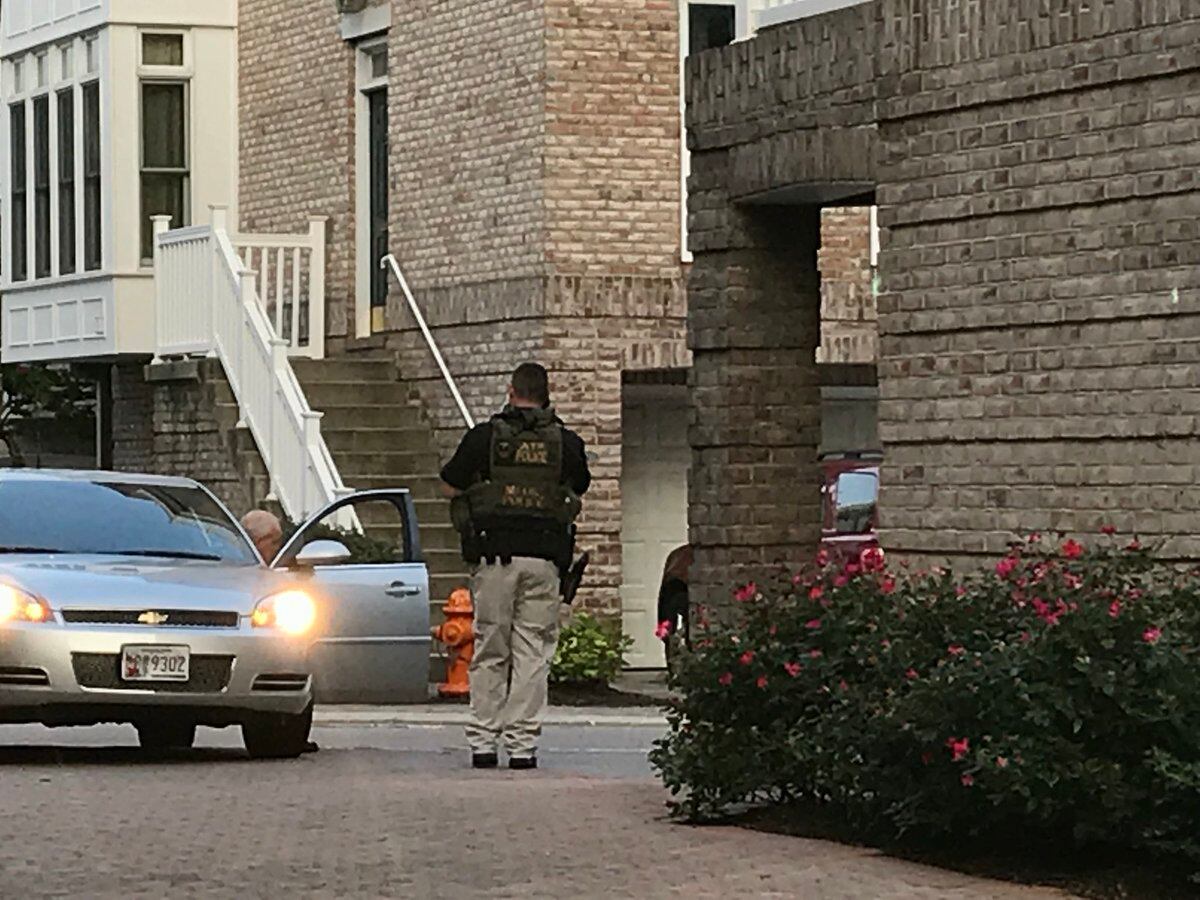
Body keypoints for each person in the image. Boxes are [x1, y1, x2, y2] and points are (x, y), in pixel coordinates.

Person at [440, 363, 591, 770]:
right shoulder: (567, 443)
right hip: (544, 562)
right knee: (532, 654)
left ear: (511, 391)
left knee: (491, 649)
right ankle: (523, 746)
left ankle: (483, 742)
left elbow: (450, 483)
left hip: (494, 559)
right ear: (546, 393)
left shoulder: (484, 438)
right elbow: (579, 486)